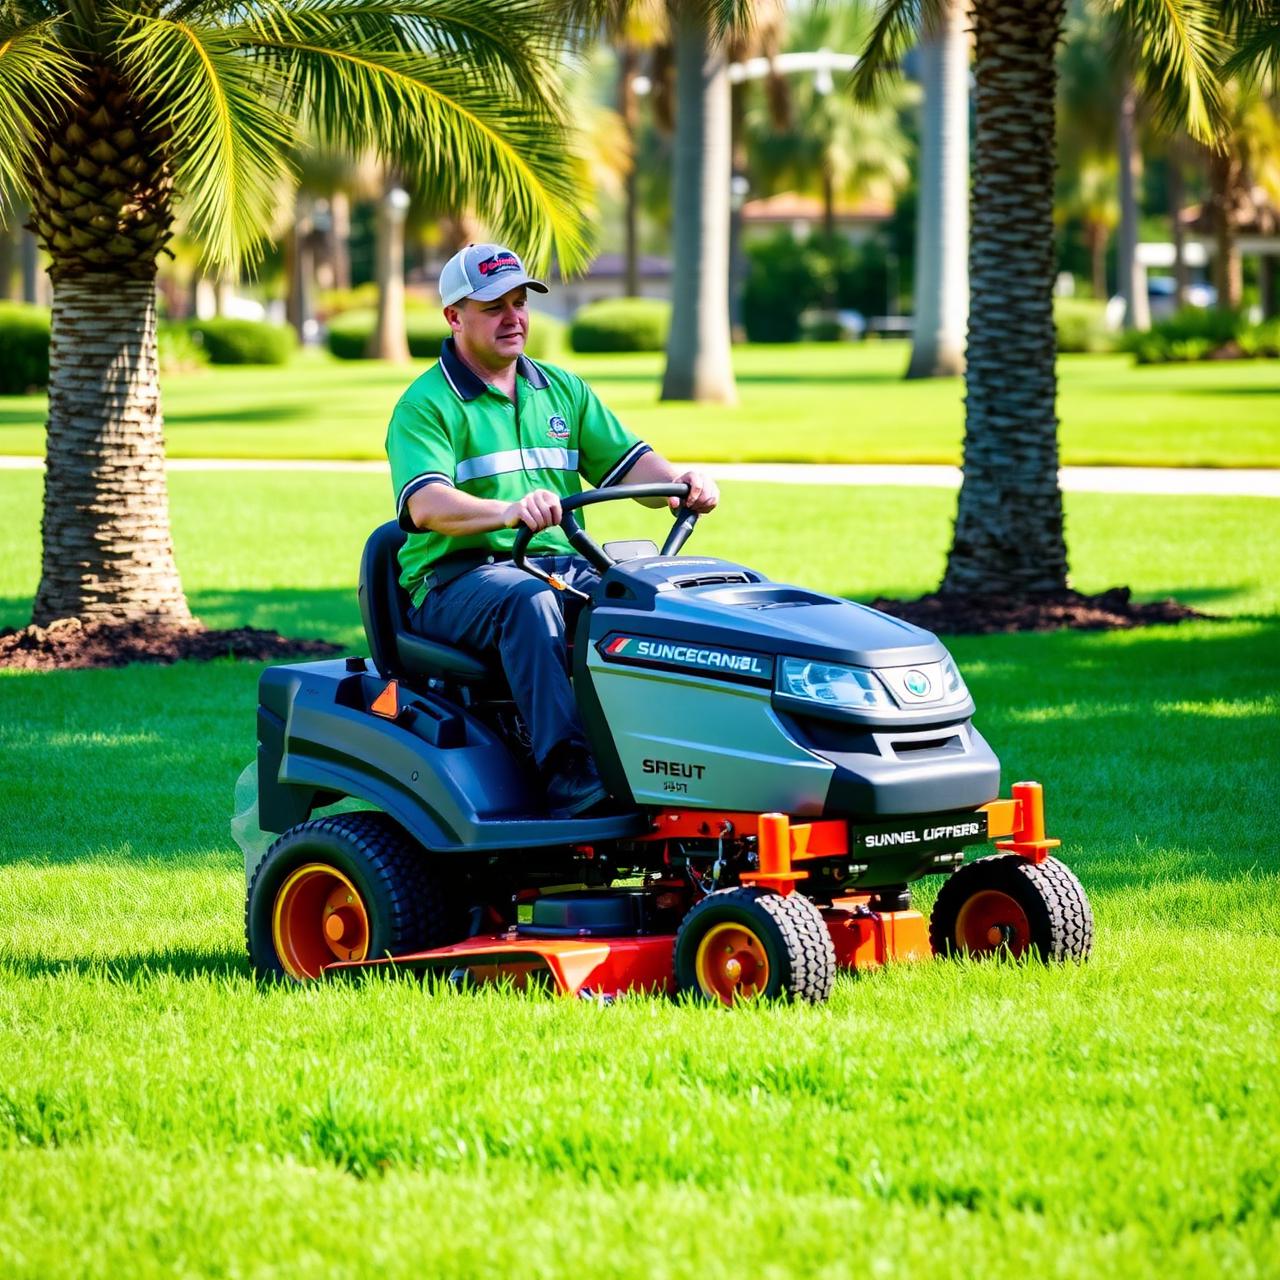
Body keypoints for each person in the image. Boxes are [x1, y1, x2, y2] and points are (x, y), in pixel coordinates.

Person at [385, 243, 719, 816]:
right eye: (494, 307)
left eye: (519, 303)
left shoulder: (561, 389)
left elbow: (630, 462)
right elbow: (426, 506)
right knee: (530, 603)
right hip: (456, 580)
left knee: (654, 596)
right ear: (453, 317)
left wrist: (678, 482)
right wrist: (508, 510)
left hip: (554, 563)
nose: (513, 317)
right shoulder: (426, 404)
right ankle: (567, 772)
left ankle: (674, 754)